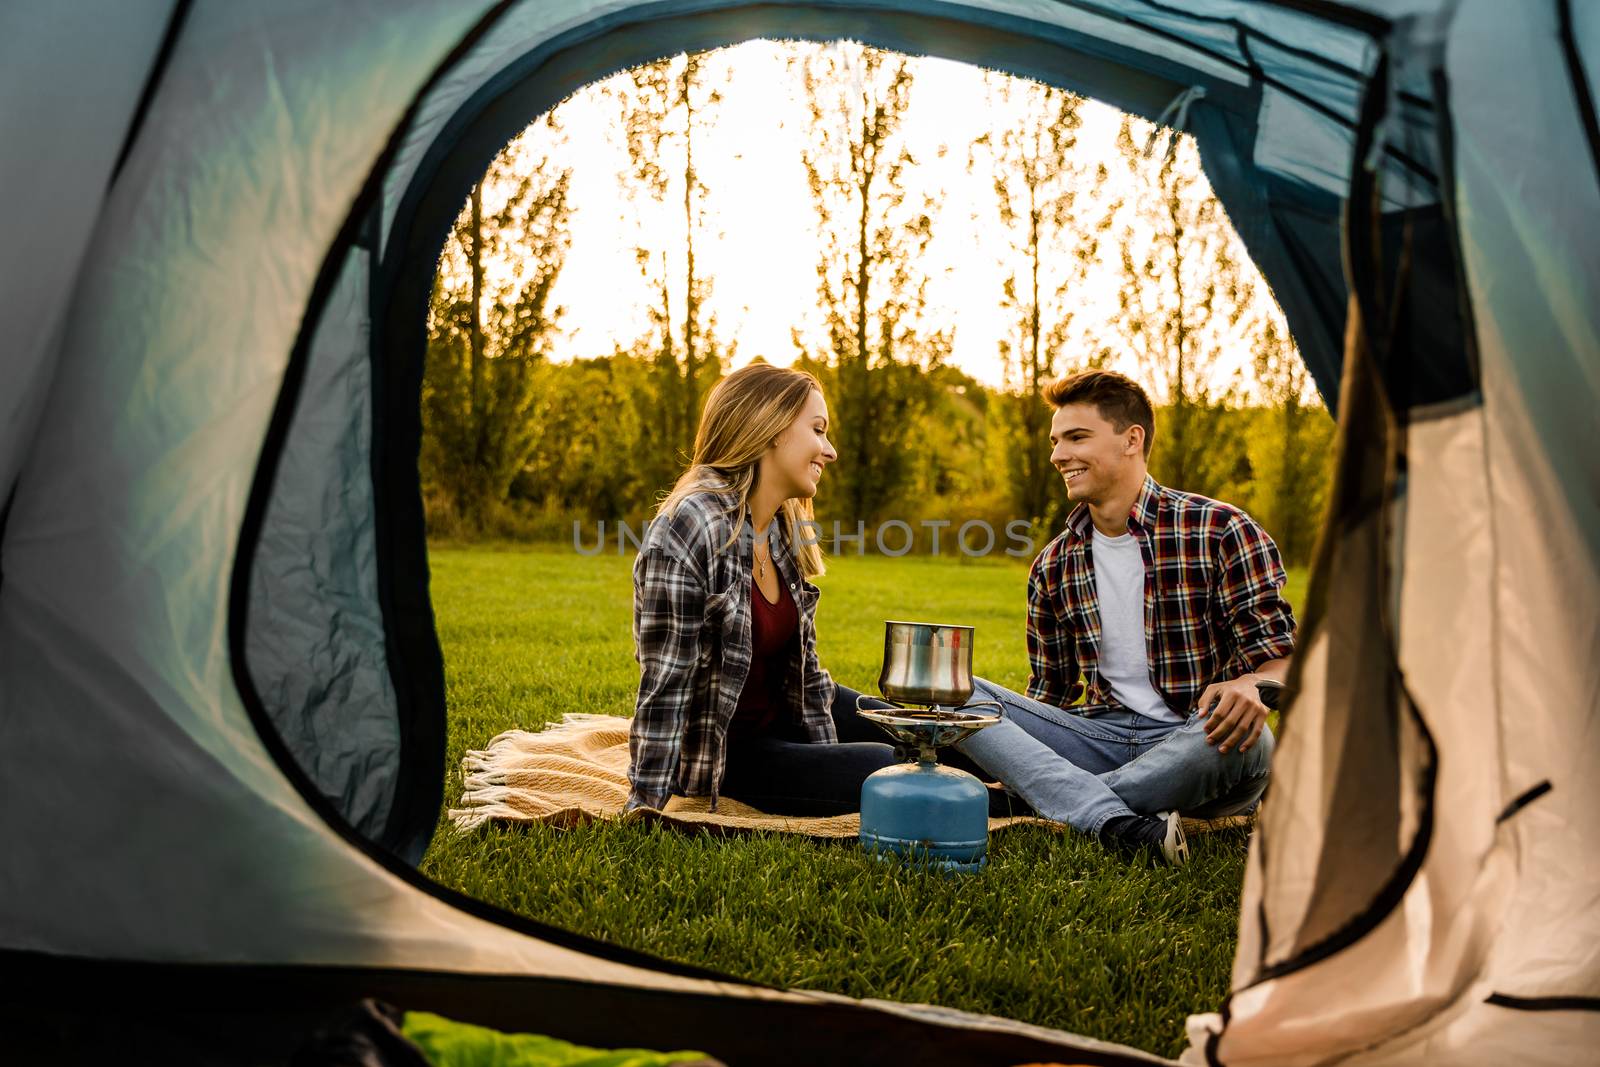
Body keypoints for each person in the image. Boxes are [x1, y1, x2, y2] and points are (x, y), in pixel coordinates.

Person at [956, 369, 1296, 865]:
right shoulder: (1054, 563)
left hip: (1199, 738)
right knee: (953, 688)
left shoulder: (1220, 531)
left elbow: (1283, 663)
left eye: (1076, 437)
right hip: (1101, 736)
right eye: (1055, 441)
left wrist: (1252, 685)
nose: (1057, 455)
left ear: (1131, 439)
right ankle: (1114, 819)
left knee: (1252, 740)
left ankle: (1048, 802)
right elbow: (1048, 693)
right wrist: (1020, 748)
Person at [625, 362, 899, 816]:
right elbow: (666, 682)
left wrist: (824, 753)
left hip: (784, 715)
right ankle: (998, 805)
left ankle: (1013, 784)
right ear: (772, 428)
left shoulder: (782, 524)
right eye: (818, 430)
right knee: (886, 769)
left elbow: (807, 670)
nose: (829, 451)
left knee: (910, 729)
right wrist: (646, 805)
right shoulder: (690, 526)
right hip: (729, 752)